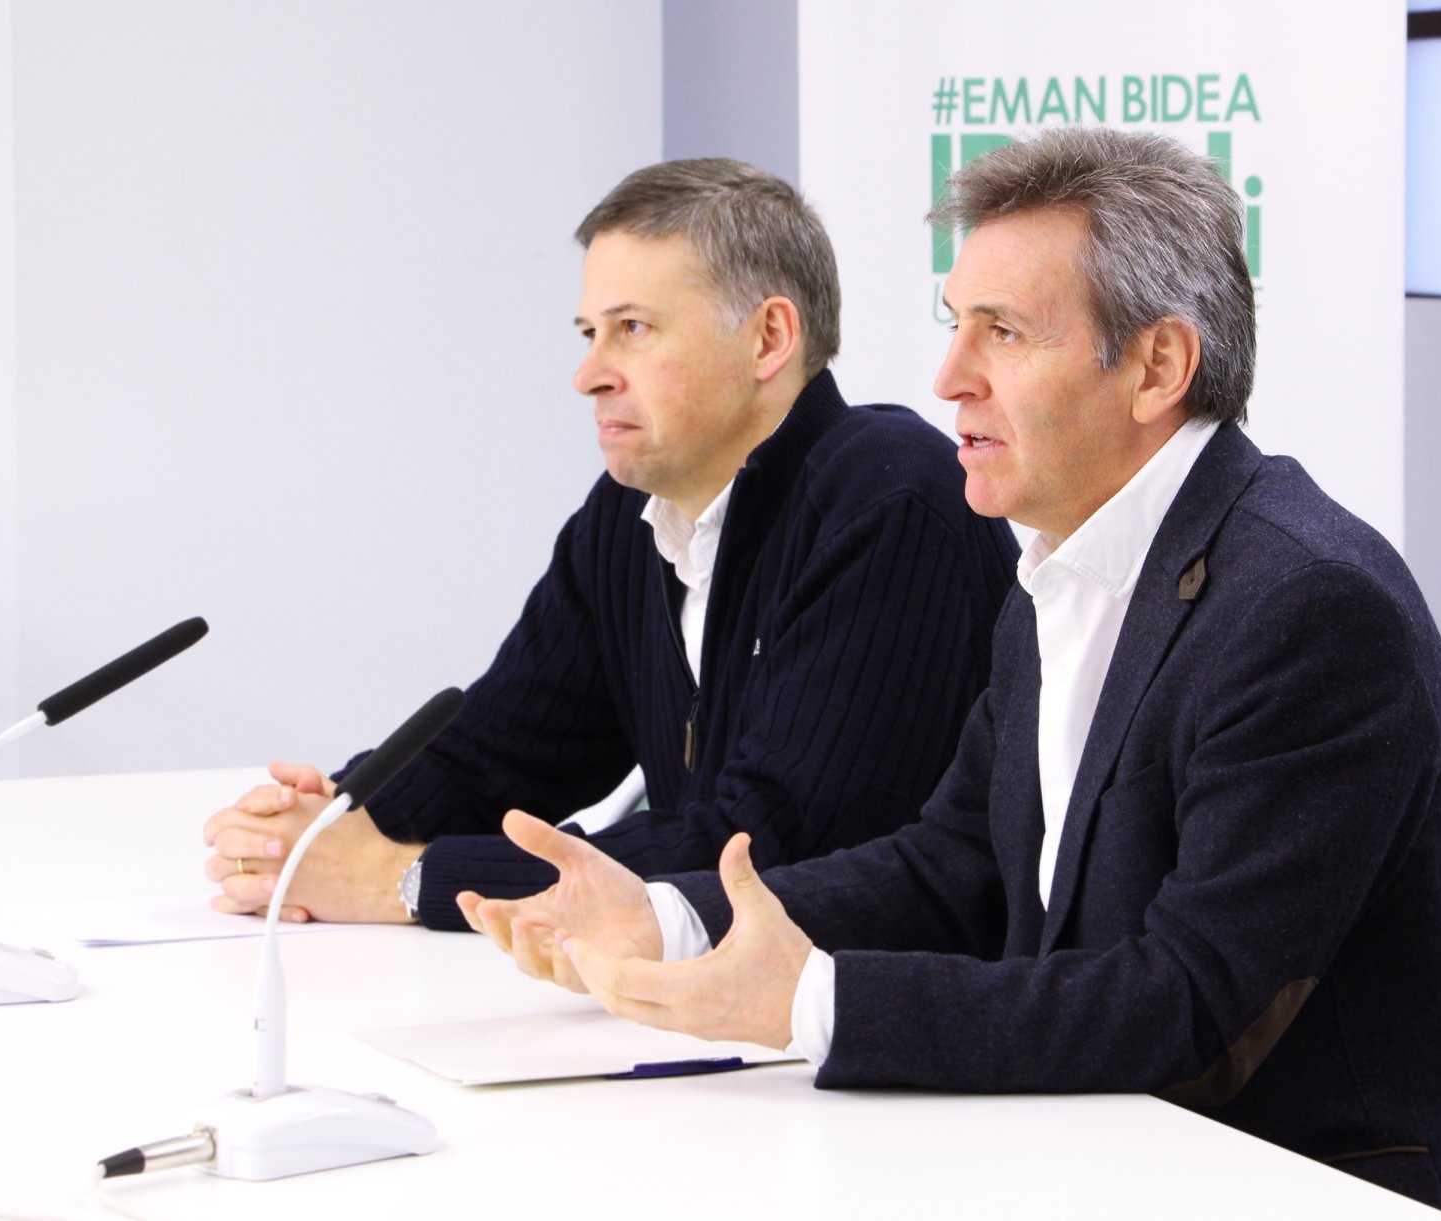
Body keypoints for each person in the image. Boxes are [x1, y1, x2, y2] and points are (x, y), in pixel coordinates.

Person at [459, 130, 1441, 1221]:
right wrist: (671, 918)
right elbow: (955, 865)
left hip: (1318, 1186)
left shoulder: (1309, 607)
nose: (949, 377)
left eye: (1004, 332)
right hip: (1104, 1160)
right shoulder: (1056, 570)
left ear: (1156, 367)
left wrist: (814, 1000)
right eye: (955, 324)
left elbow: (1189, 1002)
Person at [201, 158, 1018, 932]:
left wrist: (404, 879)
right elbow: (504, 750)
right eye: (589, 332)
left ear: (769, 338)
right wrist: (330, 819)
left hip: (881, 1013)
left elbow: (768, 852)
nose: (588, 374)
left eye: (632, 328)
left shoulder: (890, 503)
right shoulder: (630, 515)